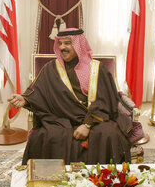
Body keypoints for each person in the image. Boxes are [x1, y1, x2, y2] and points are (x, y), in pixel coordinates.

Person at [8, 28, 132, 165]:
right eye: (60, 43)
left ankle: (100, 179)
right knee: (44, 136)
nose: (62, 47)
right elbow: (38, 91)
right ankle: (52, 179)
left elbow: (105, 100)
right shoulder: (51, 68)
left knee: (109, 134)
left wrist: (87, 124)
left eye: (67, 43)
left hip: (95, 117)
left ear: (79, 45)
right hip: (62, 118)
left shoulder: (97, 69)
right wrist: (25, 99)